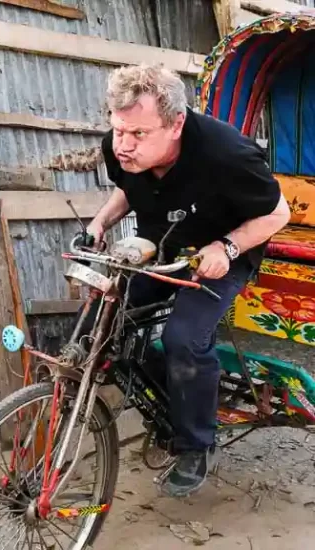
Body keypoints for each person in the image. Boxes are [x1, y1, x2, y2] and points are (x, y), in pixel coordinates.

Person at [86, 64, 290, 498]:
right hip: (165, 243)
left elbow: (279, 214)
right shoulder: (120, 148)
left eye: (138, 135)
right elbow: (128, 183)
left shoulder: (227, 154)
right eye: (118, 130)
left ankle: (197, 443)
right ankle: (174, 399)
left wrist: (227, 248)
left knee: (184, 338)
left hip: (225, 249)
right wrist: (100, 222)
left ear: (176, 123)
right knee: (110, 321)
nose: (123, 145)